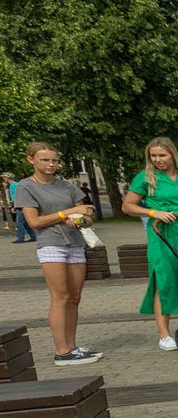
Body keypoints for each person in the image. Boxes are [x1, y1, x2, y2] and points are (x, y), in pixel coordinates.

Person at [14, 142, 99, 365]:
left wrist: (80, 219)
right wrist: (67, 213)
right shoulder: (26, 186)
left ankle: (72, 347)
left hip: (75, 242)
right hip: (51, 243)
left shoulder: (66, 185)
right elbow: (34, 222)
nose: (51, 164)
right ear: (31, 159)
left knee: (74, 297)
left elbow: (87, 215)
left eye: (54, 160)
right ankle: (61, 351)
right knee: (60, 296)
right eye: (45, 160)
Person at [122, 137, 178, 351]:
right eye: (153, 156)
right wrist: (153, 212)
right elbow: (128, 206)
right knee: (164, 279)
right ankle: (164, 335)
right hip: (162, 232)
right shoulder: (145, 178)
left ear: (172, 155)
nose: (157, 159)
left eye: (162, 155)